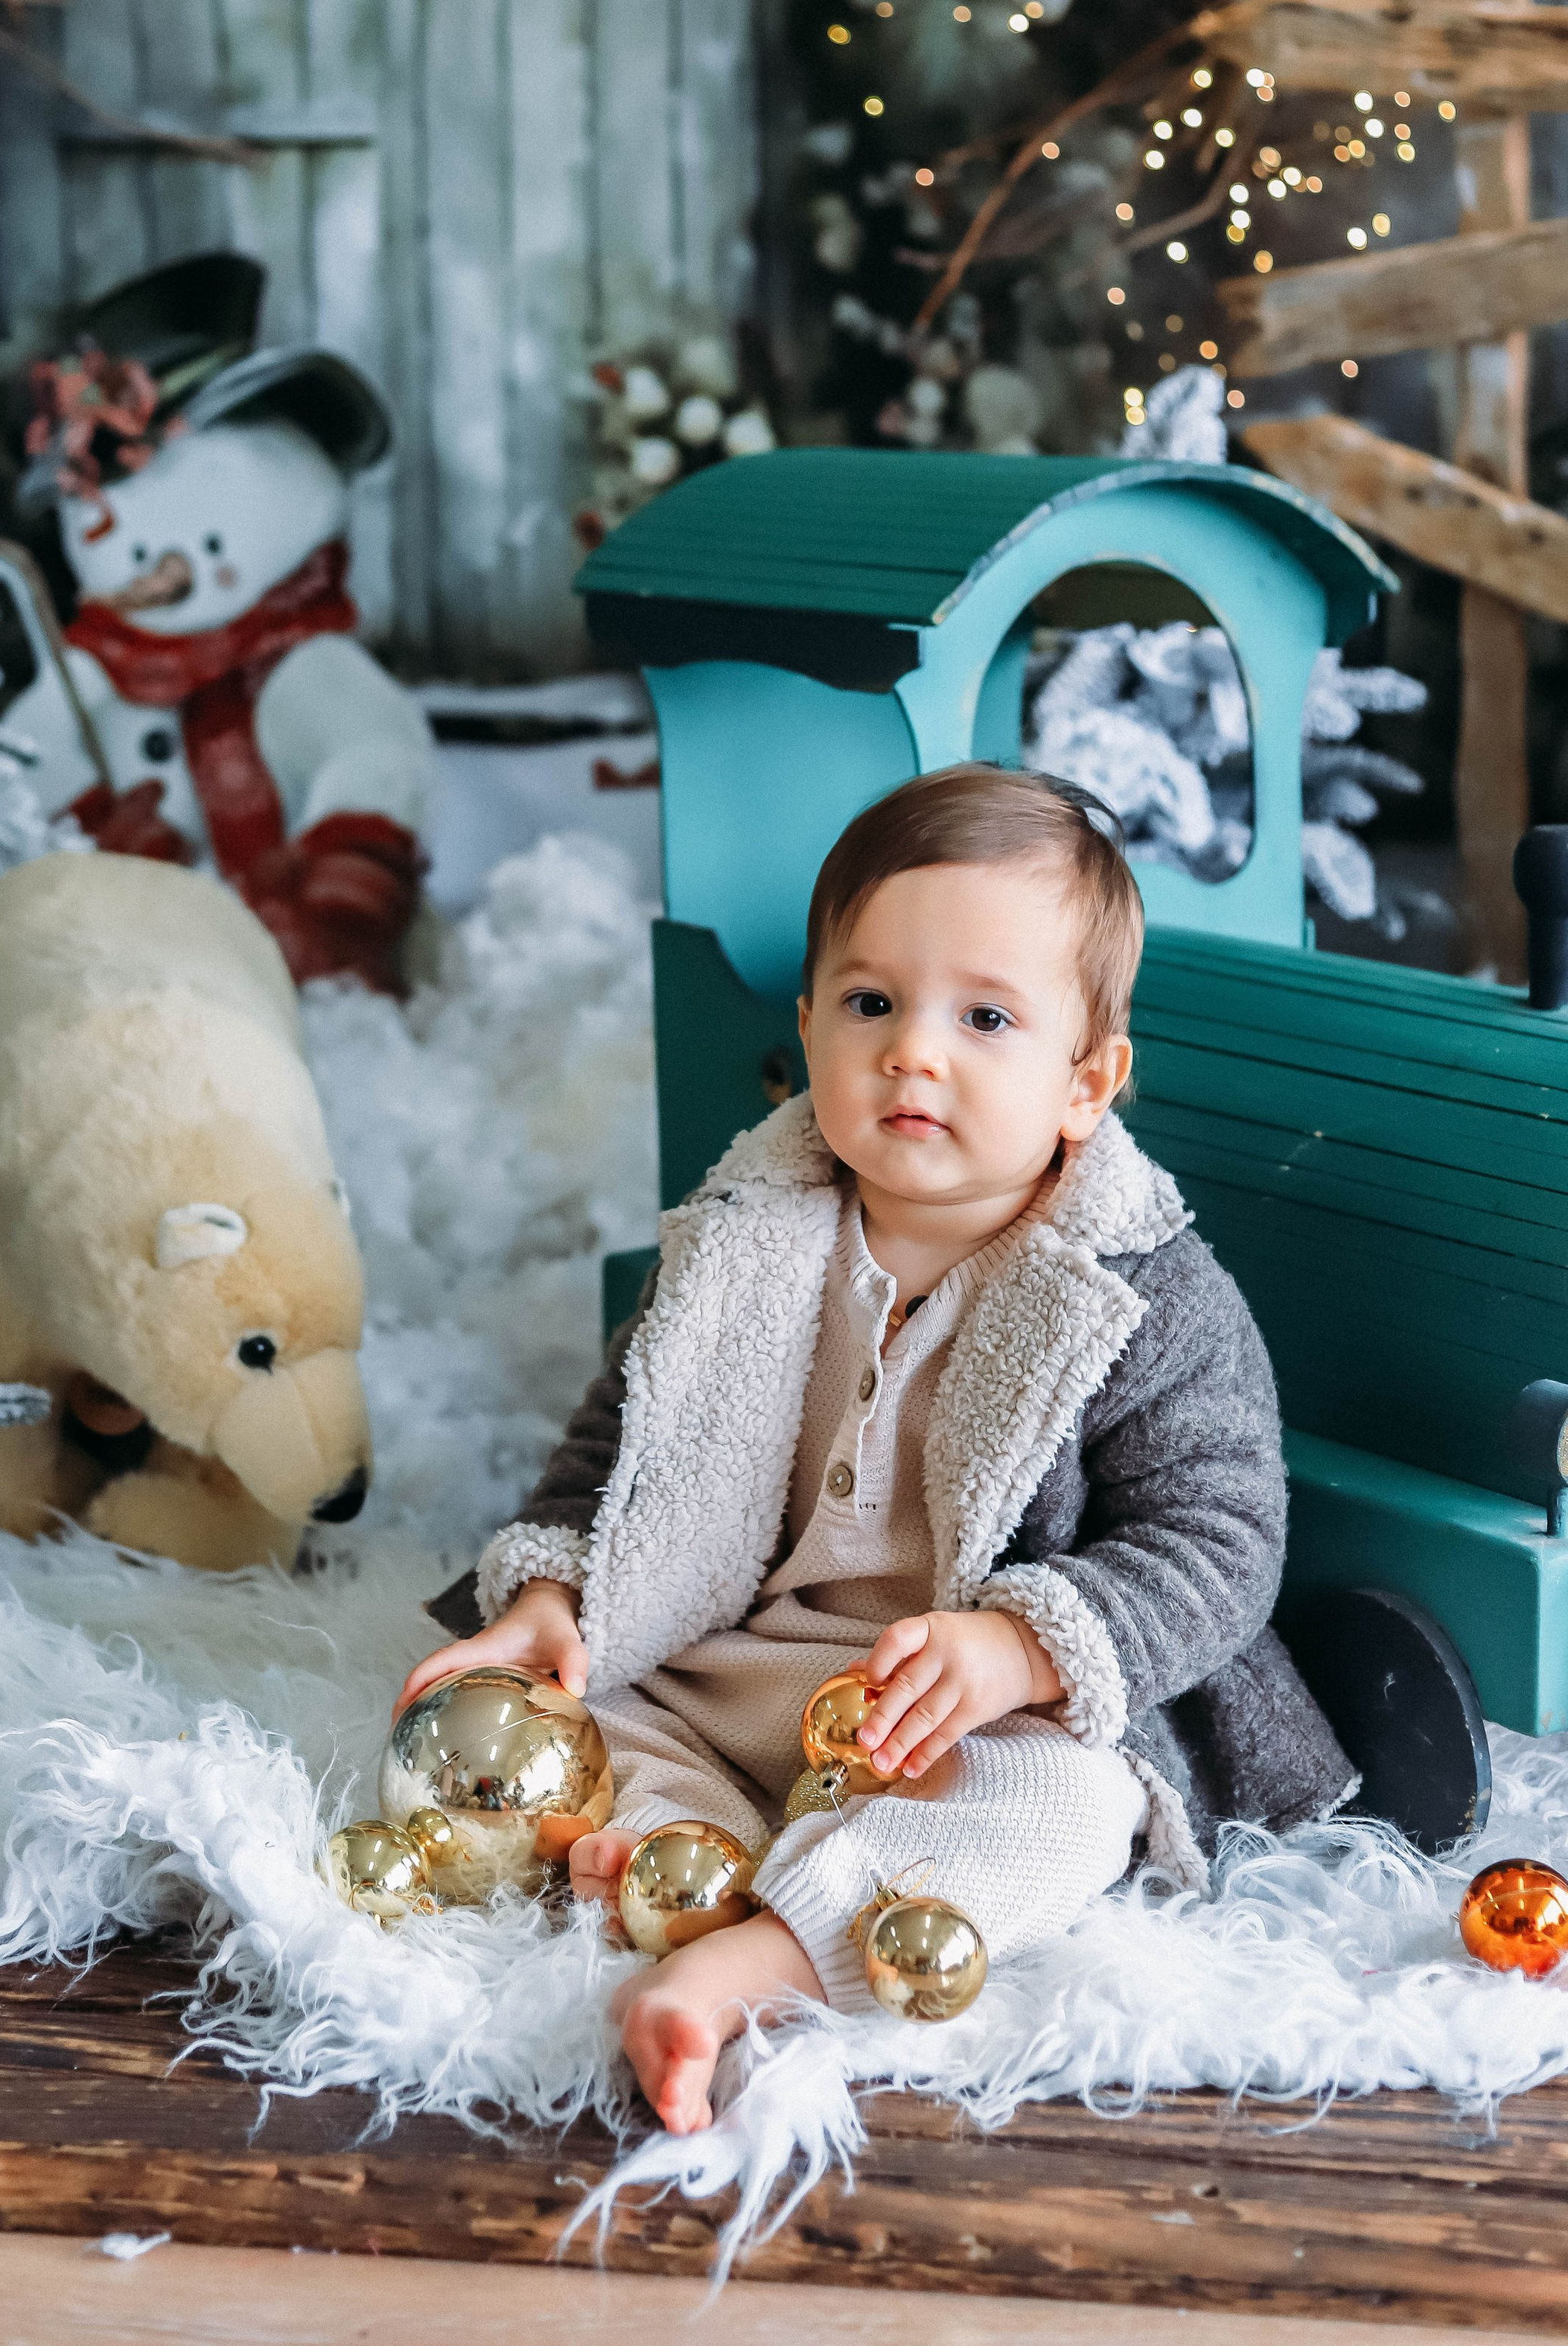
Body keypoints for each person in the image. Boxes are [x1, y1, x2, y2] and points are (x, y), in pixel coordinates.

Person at [401, 765, 1354, 2135]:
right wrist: (551, 1603)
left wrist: (1027, 1644)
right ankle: (688, 1841)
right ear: (808, 1028)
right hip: (736, 1666)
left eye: (984, 1017)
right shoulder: (745, 1237)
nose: (916, 1050)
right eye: (871, 1004)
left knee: (1077, 1808)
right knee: (573, 1716)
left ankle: (765, 1954)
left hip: (955, 1714)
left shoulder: (1144, 1294)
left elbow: (1220, 1540)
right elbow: (621, 1450)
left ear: (1087, 1083)